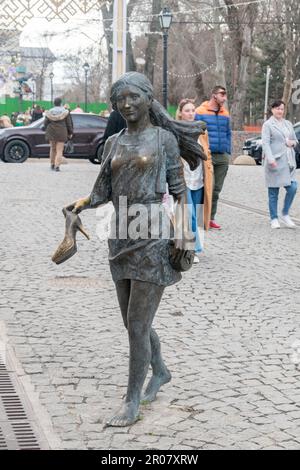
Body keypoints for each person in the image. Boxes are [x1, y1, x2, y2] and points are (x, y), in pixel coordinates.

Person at [63, 72, 206, 427]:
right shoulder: (112, 142)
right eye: (119, 100)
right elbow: (103, 191)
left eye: (133, 97)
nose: (126, 104)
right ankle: (159, 370)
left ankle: (131, 402)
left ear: (147, 98)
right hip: (121, 232)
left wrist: (185, 239)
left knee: (138, 324)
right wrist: (79, 205)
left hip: (154, 233)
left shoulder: (164, 140)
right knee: (132, 322)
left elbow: (180, 190)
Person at [176, 98, 213, 262]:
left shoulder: (202, 131)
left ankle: (187, 243)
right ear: (181, 114)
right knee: (189, 214)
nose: (191, 113)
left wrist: (209, 167)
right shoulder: (175, 131)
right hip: (183, 178)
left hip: (199, 178)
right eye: (187, 111)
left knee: (196, 215)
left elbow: (207, 151)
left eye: (192, 110)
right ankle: (193, 249)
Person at [195, 85, 231, 230]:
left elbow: (228, 133)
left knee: (216, 189)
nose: (224, 97)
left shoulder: (225, 113)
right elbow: (195, 131)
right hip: (206, 156)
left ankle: (211, 218)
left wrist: (228, 150)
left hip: (222, 156)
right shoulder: (200, 111)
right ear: (214, 95)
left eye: (225, 94)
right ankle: (200, 217)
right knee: (204, 188)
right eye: (222, 94)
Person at [262, 100, 298, 229]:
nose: (280, 111)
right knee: (273, 191)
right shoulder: (268, 125)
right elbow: (265, 143)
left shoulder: (288, 124)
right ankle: (274, 218)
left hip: (288, 162)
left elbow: (295, 140)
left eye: (282, 109)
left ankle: (285, 213)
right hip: (275, 162)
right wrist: (270, 159)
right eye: (277, 108)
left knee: (293, 187)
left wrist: (292, 143)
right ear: (272, 109)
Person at [44, 97, 73, 171]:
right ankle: (57, 166)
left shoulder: (49, 112)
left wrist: (46, 129)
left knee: (52, 149)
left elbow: (45, 123)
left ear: (54, 103)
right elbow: (69, 124)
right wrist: (70, 132)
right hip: (62, 132)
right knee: (59, 150)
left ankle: (52, 164)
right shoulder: (65, 112)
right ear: (61, 103)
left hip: (51, 132)